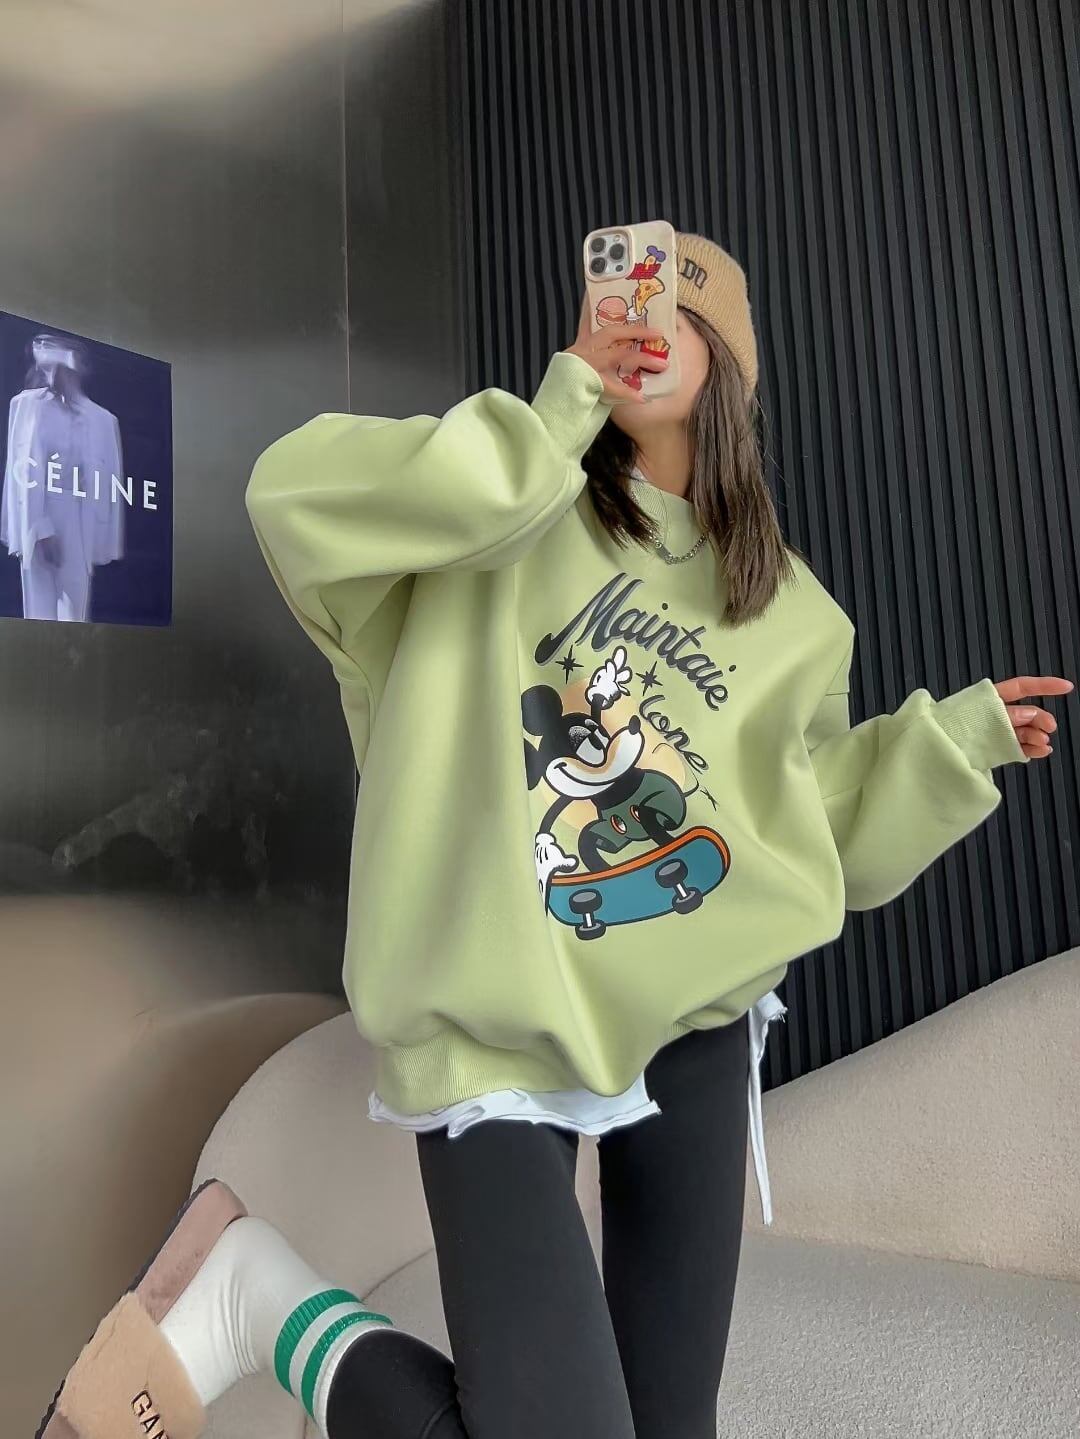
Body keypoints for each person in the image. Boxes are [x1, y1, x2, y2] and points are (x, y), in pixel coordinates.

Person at [39, 233, 1071, 1439]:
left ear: (731, 367)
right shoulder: (492, 497)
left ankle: (254, 1297)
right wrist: (546, 425)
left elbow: (811, 839)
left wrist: (949, 747)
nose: (646, 327)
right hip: (495, 1016)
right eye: (625, 302)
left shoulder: (793, 610)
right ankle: (252, 1299)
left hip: (693, 1022)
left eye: (678, 313)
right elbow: (290, 496)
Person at [1, 333, 124, 622]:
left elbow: (108, 486)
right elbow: (22, 471)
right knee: (39, 616)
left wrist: (97, 540)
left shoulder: (103, 420)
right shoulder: (27, 407)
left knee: (74, 617)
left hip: (80, 521)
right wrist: (41, 529)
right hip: (38, 514)